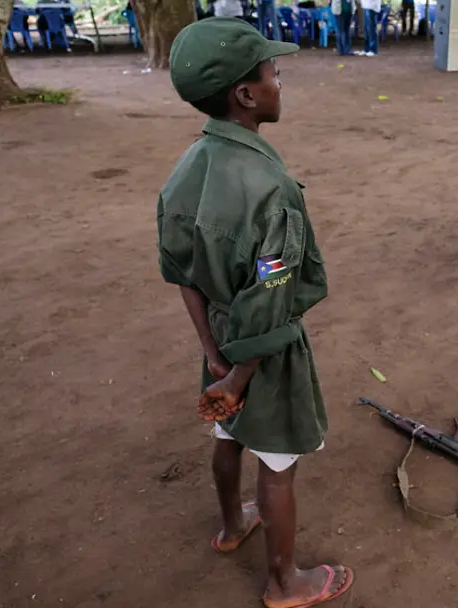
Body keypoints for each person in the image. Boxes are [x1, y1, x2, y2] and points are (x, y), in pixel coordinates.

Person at [159, 17, 354, 608]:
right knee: (277, 460)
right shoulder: (271, 189)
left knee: (226, 433)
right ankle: (283, 582)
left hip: (218, 336)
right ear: (246, 94)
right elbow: (275, 284)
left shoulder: (185, 169)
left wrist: (215, 358)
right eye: (274, 73)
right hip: (263, 348)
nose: (279, 82)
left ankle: (229, 527)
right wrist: (242, 373)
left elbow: (182, 273)